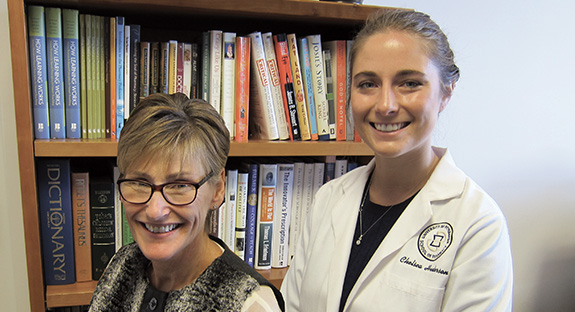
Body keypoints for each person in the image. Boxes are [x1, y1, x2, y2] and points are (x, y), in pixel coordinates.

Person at [281, 8, 513, 312]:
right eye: (367, 84)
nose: (386, 105)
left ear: (446, 92)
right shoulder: (328, 199)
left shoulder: (478, 223)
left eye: (409, 83)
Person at [89, 93, 284, 311]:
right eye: (140, 183)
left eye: (180, 185)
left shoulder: (249, 303)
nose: (155, 211)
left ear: (217, 189)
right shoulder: (120, 266)